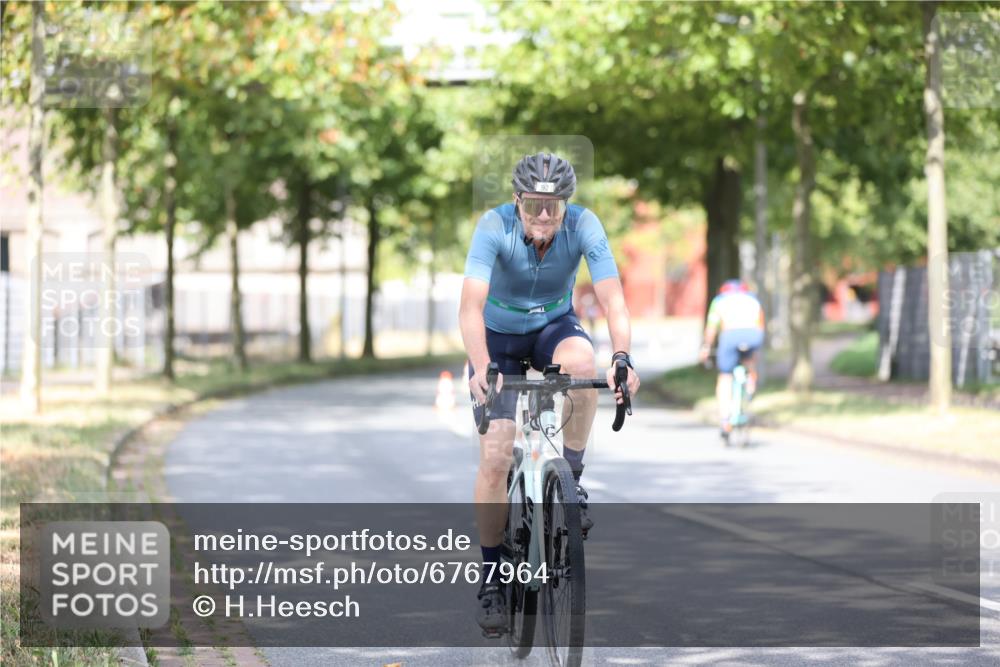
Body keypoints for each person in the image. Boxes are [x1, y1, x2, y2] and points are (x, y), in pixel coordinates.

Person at [460, 152, 640, 635]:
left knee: (585, 365)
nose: (544, 216)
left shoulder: (584, 225)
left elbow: (614, 300)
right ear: (517, 200)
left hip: (552, 329)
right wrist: (481, 368)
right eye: (535, 205)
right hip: (497, 339)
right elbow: (470, 307)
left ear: (566, 205)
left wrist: (622, 358)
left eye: (554, 206)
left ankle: (572, 481)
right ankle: (493, 576)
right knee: (497, 456)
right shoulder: (492, 226)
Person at [698, 279, 765, 440]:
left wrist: (706, 347)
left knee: (725, 376)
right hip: (753, 336)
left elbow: (712, 327)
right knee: (750, 361)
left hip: (731, 336)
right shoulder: (753, 299)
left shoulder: (719, 301)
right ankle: (751, 385)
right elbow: (760, 325)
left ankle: (725, 420)